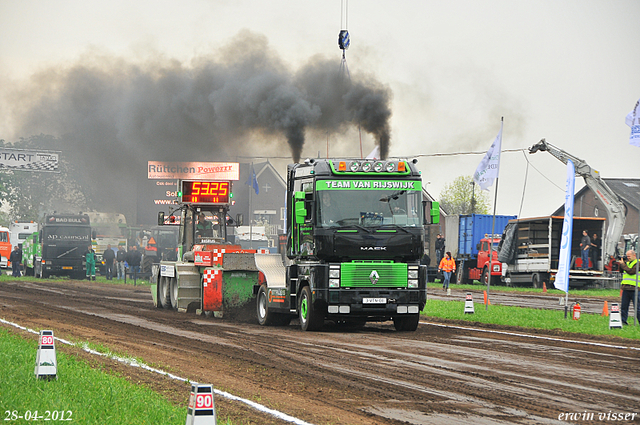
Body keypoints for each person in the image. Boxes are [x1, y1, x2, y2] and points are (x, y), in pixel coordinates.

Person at [618, 250, 638, 326]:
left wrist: (623, 264)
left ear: (634, 255)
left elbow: (631, 271)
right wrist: (621, 264)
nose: (628, 258)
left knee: (638, 308)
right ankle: (623, 321)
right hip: (626, 288)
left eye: (629, 256)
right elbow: (621, 271)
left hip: (635, 289)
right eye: (627, 256)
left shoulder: (637, 263)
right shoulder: (627, 263)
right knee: (624, 307)